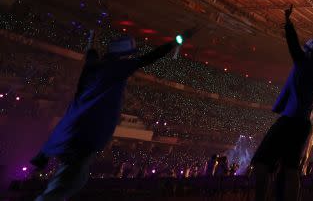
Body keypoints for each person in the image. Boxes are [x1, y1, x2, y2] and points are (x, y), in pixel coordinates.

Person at [31, 27, 194, 201]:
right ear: (122, 55)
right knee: (62, 188)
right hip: (84, 138)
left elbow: (91, 54)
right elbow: (148, 58)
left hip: (70, 136)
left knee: (74, 181)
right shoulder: (115, 69)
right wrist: (176, 42)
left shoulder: (93, 68)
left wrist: (93, 40)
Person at [251, 6, 313, 201]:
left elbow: (292, 44)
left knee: (261, 163)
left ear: (307, 52)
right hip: (304, 124)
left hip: (290, 119)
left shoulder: (303, 62)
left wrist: (288, 21)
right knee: (291, 169)